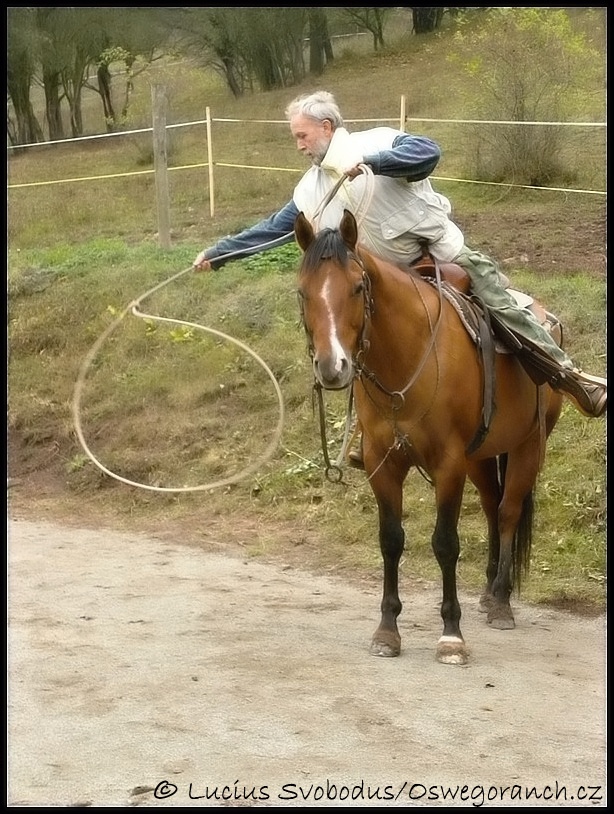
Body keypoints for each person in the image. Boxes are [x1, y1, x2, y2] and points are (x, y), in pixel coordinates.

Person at [193, 90, 607, 435]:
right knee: (353, 336)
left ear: (326, 128)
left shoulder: (377, 142)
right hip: (383, 279)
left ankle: (570, 378)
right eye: (295, 138)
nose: (299, 145)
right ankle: (368, 434)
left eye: (302, 135)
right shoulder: (311, 190)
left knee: (497, 298)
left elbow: (429, 152)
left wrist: (374, 165)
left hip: (439, 253)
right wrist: (218, 254)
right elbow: (273, 229)